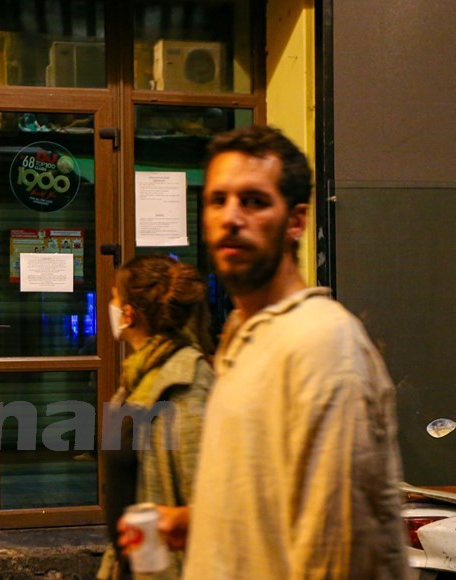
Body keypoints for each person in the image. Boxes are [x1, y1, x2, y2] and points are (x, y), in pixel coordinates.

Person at [120, 125, 406, 578]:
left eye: (253, 201)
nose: (231, 217)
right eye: (218, 200)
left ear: (296, 221)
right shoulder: (242, 335)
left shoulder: (321, 345)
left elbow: (340, 551)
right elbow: (270, 497)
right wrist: (197, 521)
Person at [99, 255, 214, 580]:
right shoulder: (139, 375)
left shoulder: (187, 381)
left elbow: (207, 501)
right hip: (130, 565)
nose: (110, 305)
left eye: (113, 298)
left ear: (129, 314)